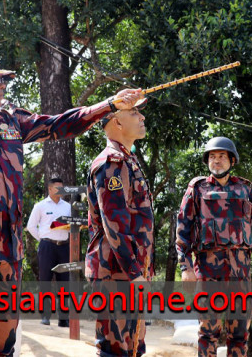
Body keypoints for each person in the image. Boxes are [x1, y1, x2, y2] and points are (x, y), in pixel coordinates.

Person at [0, 49, 143, 356]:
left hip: (8, 255)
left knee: (2, 346)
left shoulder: (10, 121)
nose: (2, 86)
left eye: (4, 81)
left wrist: (110, 105)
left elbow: (60, 124)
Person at [175, 137, 252, 357]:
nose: (216, 161)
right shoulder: (197, 189)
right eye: (212, 157)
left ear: (232, 160)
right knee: (207, 333)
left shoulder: (246, 191)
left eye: (222, 157)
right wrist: (185, 268)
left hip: (241, 275)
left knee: (239, 335)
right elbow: (182, 230)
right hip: (208, 274)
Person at [85, 99, 153, 356]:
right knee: (115, 350)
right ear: (117, 121)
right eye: (134, 113)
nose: (142, 118)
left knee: (135, 347)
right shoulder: (111, 163)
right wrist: (135, 273)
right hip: (116, 273)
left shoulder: (127, 160)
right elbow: (114, 224)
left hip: (129, 273)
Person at [26, 177, 72, 327]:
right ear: (50, 189)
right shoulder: (40, 206)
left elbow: (72, 225)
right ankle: (45, 316)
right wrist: (43, 238)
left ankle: (63, 319)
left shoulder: (68, 206)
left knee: (64, 282)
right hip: (47, 247)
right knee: (45, 280)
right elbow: (31, 226)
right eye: (58, 188)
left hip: (64, 246)